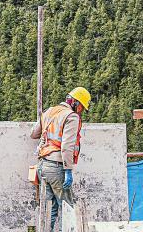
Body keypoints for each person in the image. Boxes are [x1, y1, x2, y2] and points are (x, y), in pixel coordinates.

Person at [30, 87, 91, 231]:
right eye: (81, 107)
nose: (81, 111)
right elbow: (67, 146)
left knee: (48, 210)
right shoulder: (71, 117)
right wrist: (68, 170)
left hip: (42, 166)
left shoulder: (50, 111)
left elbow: (33, 134)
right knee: (67, 209)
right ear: (75, 103)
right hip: (57, 167)